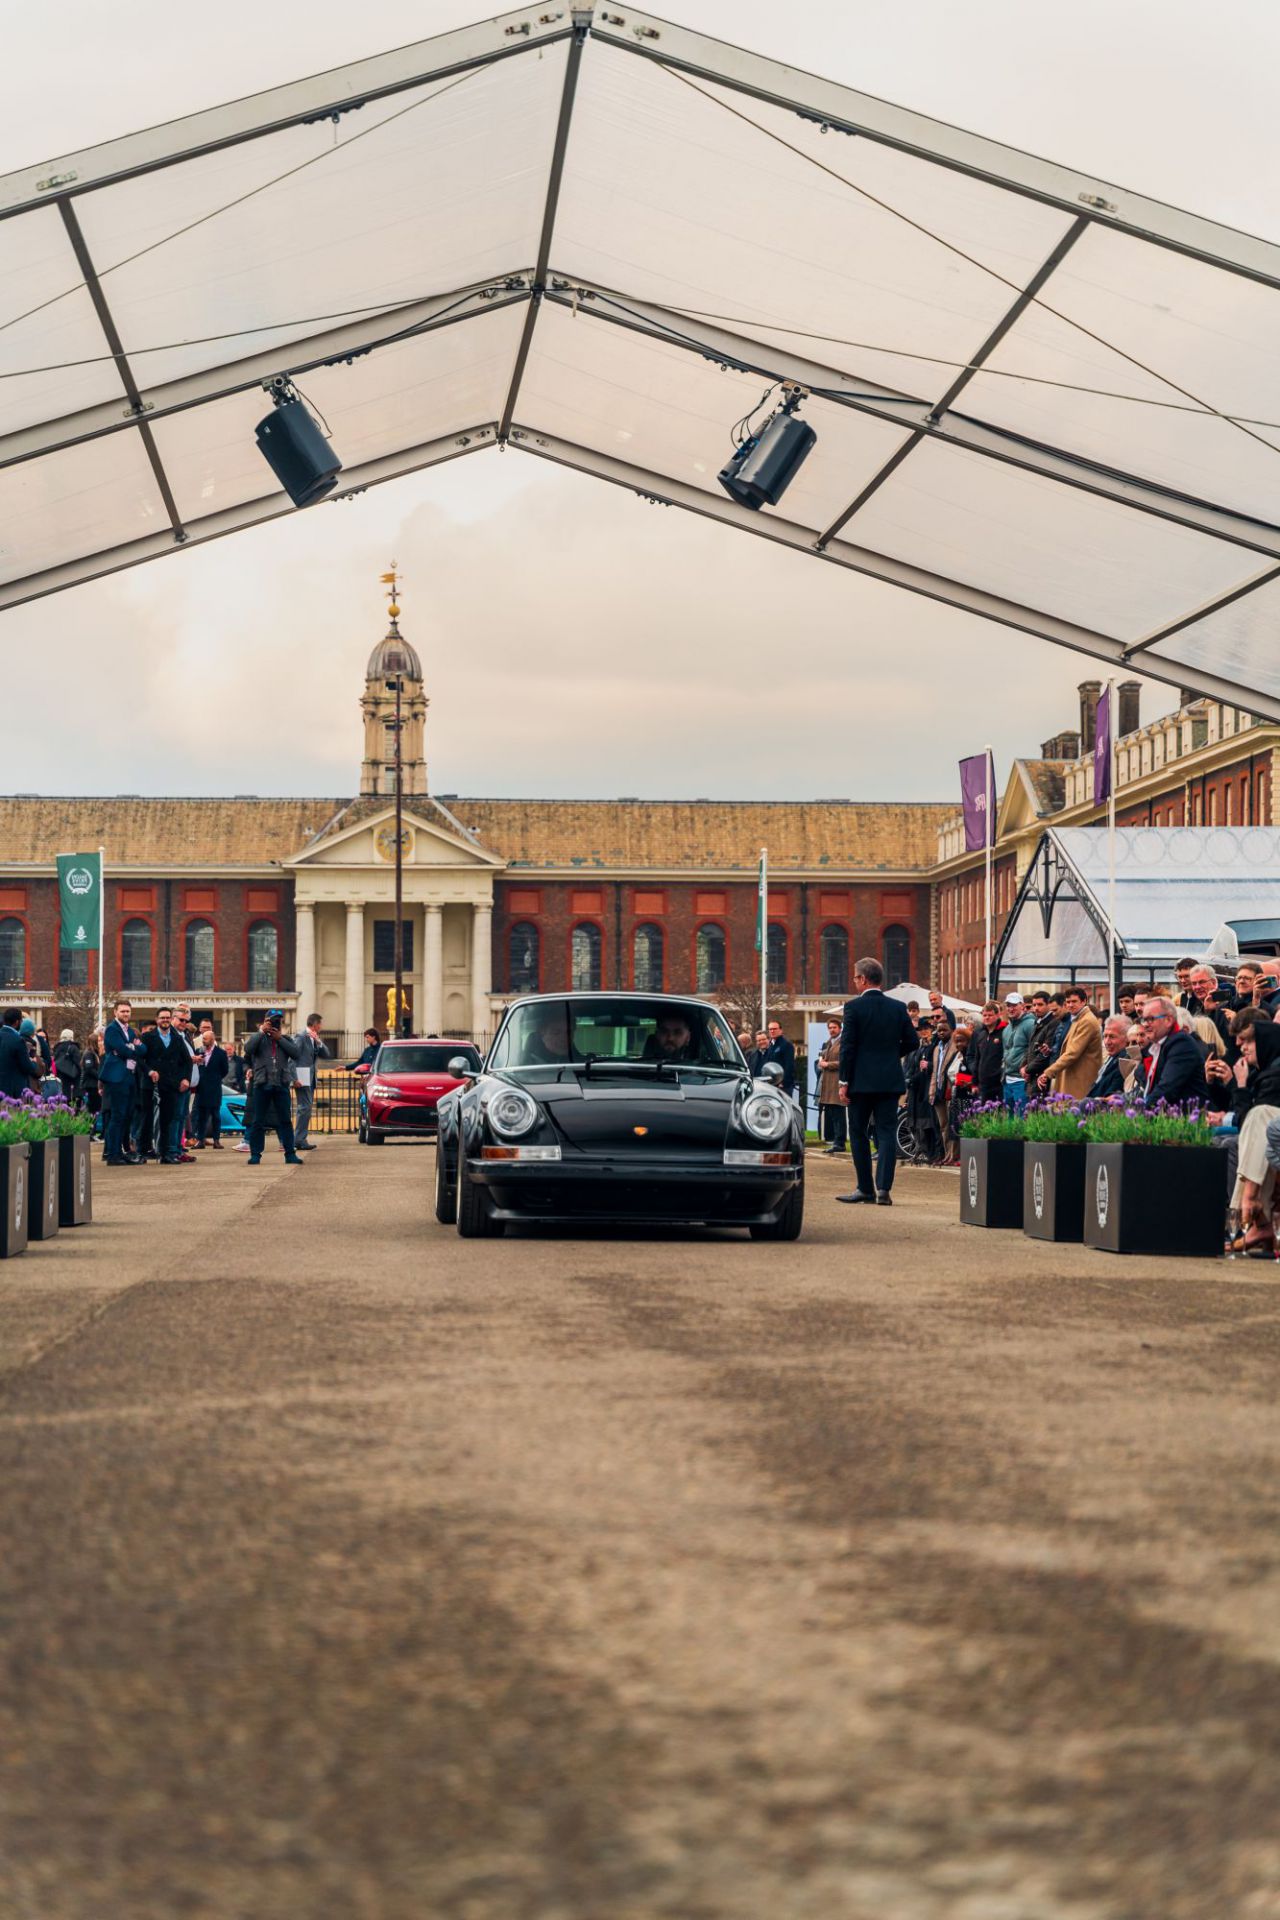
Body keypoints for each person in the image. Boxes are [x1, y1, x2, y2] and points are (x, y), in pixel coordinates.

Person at [835, 955, 918, 1208]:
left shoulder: (853, 1008)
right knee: (885, 1133)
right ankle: (884, 1189)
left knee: (858, 1132)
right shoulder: (897, 1007)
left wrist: (843, 1081)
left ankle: (864, 1188)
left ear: (862, 979)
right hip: (889, 1079)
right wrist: (892, 1056)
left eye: (854, 977)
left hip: (860, 1081)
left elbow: (847, 1047)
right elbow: (913, 1042)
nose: (854, 981)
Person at [244, 1011, 304, 1165]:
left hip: (281, 1084)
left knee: (285, 1120)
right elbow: (248, 1049)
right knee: (258, 1121)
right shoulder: (258, 1039)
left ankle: (290, 1153)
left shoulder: (285, 1039)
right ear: (265, 1021)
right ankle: (255, 1154)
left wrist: (280, 1039)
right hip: (262, 1084)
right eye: (272, 1021)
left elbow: (296, 1053)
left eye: (278, 1021)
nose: (275, 1024)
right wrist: (261, 1031)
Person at [143, 1007, 194, 1165]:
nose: (165, 1020)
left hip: (171, 1085)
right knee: (147, 1119)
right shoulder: (148, 1037)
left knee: (167, 1120)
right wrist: (150, 1071)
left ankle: (166, 1153)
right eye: (162, 1018)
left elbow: (187, 1060)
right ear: (157, 1019)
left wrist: (186, 1078)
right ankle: (143, 1151)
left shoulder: (177, 1038)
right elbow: (141, 1060)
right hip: (151, 1084)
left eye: (167, 1017)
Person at [1136, 996, 1207, 1108]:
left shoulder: (1181, 1044)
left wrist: (1138, 1112)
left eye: (1151, 1019)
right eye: (1144, 1020)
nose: (1145, 1024)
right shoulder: (1156, 1046)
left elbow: (1166, 1090)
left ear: (1168, 1020)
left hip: (1185, 1122)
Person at [99, 999, 147, 1166]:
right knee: (117, 1116)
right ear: (115, 1012)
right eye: (122, 1011)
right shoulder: (112, 1029)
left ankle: (120, 1151)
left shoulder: (130, 1031)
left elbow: (143, 1049)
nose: (126, 1014)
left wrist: (132, 1048)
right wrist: (132, 1048)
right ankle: (112, 1154)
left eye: (128, 1011)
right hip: (116, 1077)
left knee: (126, 1116)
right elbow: (123, 1049)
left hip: (129, 1077)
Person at [1038, 987, 1103, 1099]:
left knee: (1074, 1113)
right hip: (1074, 1076)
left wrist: (1048, 1072)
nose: (1070, 1005)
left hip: (1080, 1079)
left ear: (1084, 1001)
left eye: (1074, 1001)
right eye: (1068, 1002)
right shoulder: (1078, 1018)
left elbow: (1072, 1053)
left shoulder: (1086, 1021)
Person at [291, 1012, 331, 1151]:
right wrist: (294, 1078)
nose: (321, 1026)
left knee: (306, 1109)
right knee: (304, 1108)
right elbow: (293, 1057)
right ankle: (299, 1139)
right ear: (315, 1024)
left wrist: (319, 1041)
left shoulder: (313, 1038)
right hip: (302, 1077)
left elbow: (326, 1054)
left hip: (310, 1077)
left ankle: (300, 1138)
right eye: (320, 1024)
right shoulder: (301, 1037)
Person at [1086, 1015, 1139, 1099]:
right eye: (1105, 1036)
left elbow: (1111, 1096)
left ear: (1127, 1038)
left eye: (1112, 1037)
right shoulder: (1111, 1057)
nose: (1107, 1042)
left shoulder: (1124, 1063)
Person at [816, 1018, 847, 1155]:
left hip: (838, 1082)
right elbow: (823, 1059)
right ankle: (835, 1141)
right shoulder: (828, 1043)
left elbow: (844, 1062)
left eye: (834, 1027)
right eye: (830, 1027)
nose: (832, 1030)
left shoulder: (843, 1042)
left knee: (839, 1114)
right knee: (833, 1115)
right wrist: (821, 1062)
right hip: (827, 1083)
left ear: (840, 1028)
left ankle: (840, 1142)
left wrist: (828, 1065)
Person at [193, 1031, 230, 1147]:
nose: (203, 1041)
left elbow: (225, 1070)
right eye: (203, 1039)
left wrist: (215, 1078)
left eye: (206, 1039)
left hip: (214, 1088)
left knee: (216, 1115)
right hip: (201, 1088)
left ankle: (216, 1140)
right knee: (201, 1116)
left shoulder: (221, 1053)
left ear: (213, 1039)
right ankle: (200, 1140)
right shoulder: (198, 1051)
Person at [1000, 993, 1035, 1108]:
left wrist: (1028, 1069)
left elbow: (1034, 1049)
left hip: (1021, 1080)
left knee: (1022, 1118)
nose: (1011, 1008)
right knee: (1010, 1120)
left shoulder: (1030, 1024)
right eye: (1008, 1005)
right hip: (1007, 1079)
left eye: (1014, 1005)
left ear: (1022, 1006)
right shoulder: (1007, 1028)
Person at [969, 1001, 1008, 1104]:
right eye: (984, 1015)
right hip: (984, 1085)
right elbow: (977, 1060)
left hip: (999, 1084)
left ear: (997, 1015)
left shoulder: (1004, 1031)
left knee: (999, 1116)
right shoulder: (981, 1035)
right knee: (985, 1117)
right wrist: (974, 1083)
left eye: (990, 1015)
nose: (987, 1017)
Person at [0, 1007, 41, 1102]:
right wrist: (34, 1063)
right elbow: (27, 1067)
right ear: (17, 1022)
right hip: (13, 1091)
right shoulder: (18, 1041)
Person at [762, 1020, 796, 1098]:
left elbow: (789, 1065)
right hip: (772, 1084)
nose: (772, 1031)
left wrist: (783, 1082)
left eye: (774, 1029)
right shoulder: (770, 1044)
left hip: (783, 1086)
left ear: (781, 1030)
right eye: (770, 1029)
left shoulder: (787, 1045)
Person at [78, 1031, 103, 1131]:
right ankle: (89, 1130)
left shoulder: (96, 1054)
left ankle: (93, 1129)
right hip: (90, 1086)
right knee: (91, 1109)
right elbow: (89, 1069)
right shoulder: (89, 1054)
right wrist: (100, 1076)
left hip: (94, 1085)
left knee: (95, 1109)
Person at [52, 1027, 81, 1106]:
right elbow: (79, 1064)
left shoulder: (57, 1048)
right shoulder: (74, 1048)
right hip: (73, 1083)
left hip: (61, 1081)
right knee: (73, 1106)